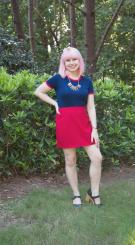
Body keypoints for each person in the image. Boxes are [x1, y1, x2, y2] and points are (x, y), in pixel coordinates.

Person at [34, 47, 103, 207]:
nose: (71, 63)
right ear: (63, 63)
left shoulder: (87, 81)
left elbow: (91, 107)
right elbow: (38, 91)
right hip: (65, 123)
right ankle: (76, 194)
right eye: (68, 60)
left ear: (80, 61)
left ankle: (94, 193)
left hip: (84, 124)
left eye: (74, 59)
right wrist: (55, 103)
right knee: (70, 160)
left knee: (97, 157)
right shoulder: (58, 79)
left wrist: (94, 129)